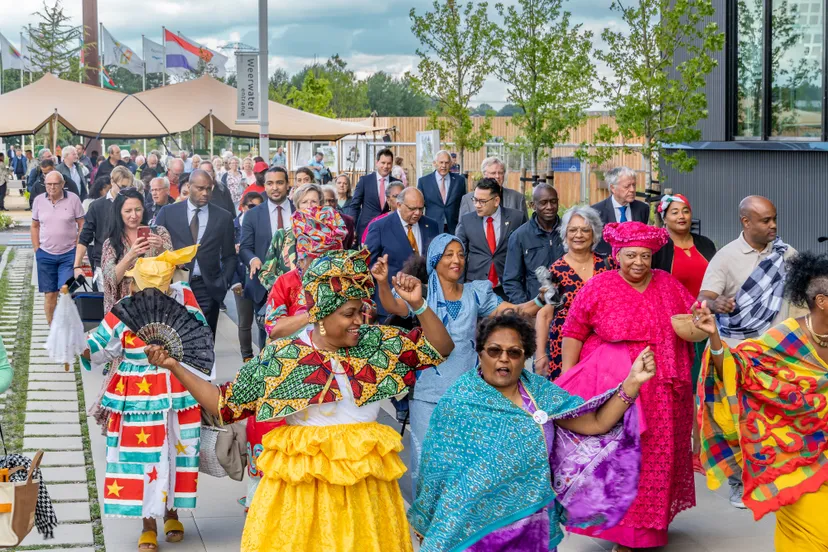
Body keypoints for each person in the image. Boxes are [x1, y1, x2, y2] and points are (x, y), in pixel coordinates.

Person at [143, 248, 454, 552]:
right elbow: (224, 406)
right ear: (320, 314)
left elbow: (440, 348)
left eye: (361, 311)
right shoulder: (284, 357)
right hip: (303, 496)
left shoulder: (374, 345)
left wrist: (419, 305)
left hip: (365, 497)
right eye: (348, 313)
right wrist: (174, 366)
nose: (359, 320)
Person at [411, 313, 653, 551]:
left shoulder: (540, 393)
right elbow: (435, 470)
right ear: (480, 353)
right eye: (495, 351)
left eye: (514, 352)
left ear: (524, 356)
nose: (503, 359)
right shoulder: (458, 401)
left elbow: (597, 423)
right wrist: (428, 519)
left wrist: (632, 383)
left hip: (532, 523)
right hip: (474, 528)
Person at [561, 221, 695, 551]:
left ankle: (649, 527)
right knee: (620, 457)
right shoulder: (598, 286)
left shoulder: (668, 284)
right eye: (631, 255)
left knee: (655, 460)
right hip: (616, 386)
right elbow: (574, 331)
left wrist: (708, 318)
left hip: (662, 389)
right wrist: (568, 382)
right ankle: (626, 533)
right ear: (617, 255)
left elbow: (692, 319)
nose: (639, 262)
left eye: (646, 256)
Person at [375, 233, 546, 492]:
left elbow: (513, 312)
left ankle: (457, 518)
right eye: (449, 255)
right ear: (435, 260)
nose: (457, 260)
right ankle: (427, 523)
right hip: (428, 393)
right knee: (428, 459)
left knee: (465, 458)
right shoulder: (421, 295)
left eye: (461, 254)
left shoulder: (475, 293)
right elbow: (393, 306)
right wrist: (383, 284)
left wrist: (540, 301)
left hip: (467, 391)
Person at [692, 252, 828, 552]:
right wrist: (715, 338)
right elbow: (738, 369)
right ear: (822, 302)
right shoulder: (788, 335)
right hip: (795, 455)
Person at [84, 246, 206, 551]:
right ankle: (147, 523)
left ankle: (171, 512)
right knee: (142, 460)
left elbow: (201, 343)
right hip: (136, 396)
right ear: (132, 285)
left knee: (175, 452)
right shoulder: (123, 309)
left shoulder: (184, 301)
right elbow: (101, 346)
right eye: (142, 289)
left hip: (176, 388)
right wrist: (79, 344)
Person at [651, 194, 717, 471]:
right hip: (672, 327)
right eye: (675, 212)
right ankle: (681, 449)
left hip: (706, 324)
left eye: (686, 211)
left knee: (704, 388)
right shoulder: (659, 248)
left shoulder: (706, 245)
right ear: (664, 217)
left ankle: (701, 450)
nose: (681, 216)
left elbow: (718, 280)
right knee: (682, 390)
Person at [534, 206, 614, 381]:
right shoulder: (556, 270)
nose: (579, 235)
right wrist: (540, 354)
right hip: (563, 347)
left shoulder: (608, 265)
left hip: (602, 345)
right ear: (565, 234)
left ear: (594, 234)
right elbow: (545, 315)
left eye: (585, 230)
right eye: (573, 230)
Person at [155, 169, 237, 335]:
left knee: (205, 341)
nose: (205, 193)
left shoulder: (223, 217)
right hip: (175, 285)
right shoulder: (168, 213)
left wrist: (223, 282)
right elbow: (155, 251)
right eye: (200, 188)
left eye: (208, 188)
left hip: (208, 287)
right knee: (176, 339)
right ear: (189, 186)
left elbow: (229, 255)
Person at [264, 206, 348, 340]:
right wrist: (315, 314)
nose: (325, 268)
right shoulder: (286, 282)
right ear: (302, 260)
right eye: (317, 261)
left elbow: (365, 315)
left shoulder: (348, 279)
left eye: (331, 260)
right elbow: (274, 329)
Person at [240, 167, 294, 345]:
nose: (275, 187)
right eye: (270, 183)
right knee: (266, 337)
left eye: (279, 183)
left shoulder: (298, 212)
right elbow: (245, 248)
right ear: (265, 186)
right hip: (263, 286)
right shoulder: (252, 215)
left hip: (294, 286)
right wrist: (253, 259)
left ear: (287, 185)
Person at [364, 187, 439, 317]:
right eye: (412, 209)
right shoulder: (380, 227)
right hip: (390, 305)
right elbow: (368, 265)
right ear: (399, 205)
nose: (417, 213)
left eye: (421, 209)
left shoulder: (431, 225)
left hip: (425, 303)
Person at [99, 188, 173, 314]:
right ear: (119, 212)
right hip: (124, 309)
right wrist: (130, 255)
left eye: (138, 210)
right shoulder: (111, 243)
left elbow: (173, 265)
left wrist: (161, 248)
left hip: (156, 307)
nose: (134, 215)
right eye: (128, 211)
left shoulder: (159, 233)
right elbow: (111, 279)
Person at [455, 178, 528, 298]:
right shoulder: (466, 220)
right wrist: (459, 289)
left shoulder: (516, 218)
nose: (477, 205)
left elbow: (525, 253)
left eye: (482, 201)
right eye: (475, 200)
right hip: (475, 288)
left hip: (507, 288)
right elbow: (460, 255)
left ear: (496, 201)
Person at [32, 171, 85, 324]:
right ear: (45, 185)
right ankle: (52, 332)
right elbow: (34, 225)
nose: (52, 187)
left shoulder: (73, 199)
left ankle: (65, 327)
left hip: (68, 253)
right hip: (46, 254)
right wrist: (37, 249)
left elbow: (82, 224)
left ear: (63, 184)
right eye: (49, 184)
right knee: (49, 295)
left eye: (56, 184)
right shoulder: (38, 201)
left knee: (65, 291)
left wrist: (78, 245)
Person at [503, 183, 564, 304]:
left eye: (553, 201)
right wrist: (526, 310)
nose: (549, 207)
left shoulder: (569, 231)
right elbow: (511, 280)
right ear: (533, 205)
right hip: (535, 308)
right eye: (543, 202)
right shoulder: (519, 236)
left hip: (568, 307)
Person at [256, 183, 322, 291]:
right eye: (304, 202)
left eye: (314, 201)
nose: (309, 206)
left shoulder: (331, 239)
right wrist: (285, 287)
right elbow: (265, 274)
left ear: (321, 205)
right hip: (287, 302)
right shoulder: (282, 236)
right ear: (297, 206)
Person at [74, 173, 132, 279]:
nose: (125, 191)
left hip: (129, 264)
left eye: (129, 188)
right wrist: (77, 266)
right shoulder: (97, 205)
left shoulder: (134, 205)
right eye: (122, 187)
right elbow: (85, 237)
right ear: (112, 182)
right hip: (103, 263)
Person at [231, 192, 264, 362]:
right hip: (241, 280)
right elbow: (227, 257)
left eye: (259, 206)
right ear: (242, 207)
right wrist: (234, 281)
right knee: (245, 321)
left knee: (263, 321)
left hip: (260, 280)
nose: (255, 209)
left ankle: (264, 357)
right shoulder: (233, 226)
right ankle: (247, 357)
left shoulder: (263, 224)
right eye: (251, 206)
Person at [591, 166, 649, 255]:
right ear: (613, 188)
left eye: (634, 185)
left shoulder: (643, 209)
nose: (632, 190)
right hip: (607, 264)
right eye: (627, 186)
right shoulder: (596, 212)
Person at [347, 148, 401, 244]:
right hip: (366, 230)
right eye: (383, 163)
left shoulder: (397, 184)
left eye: (389, 163)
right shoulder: (365, 181)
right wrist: (352, 228)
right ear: (377, 163)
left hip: (390, 229)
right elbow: (354, 206)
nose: (386, 166)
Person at [458, 157, 528, 218]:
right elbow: (461, 229)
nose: (497, 176)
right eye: (493, 173)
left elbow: (525, 228)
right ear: (484, 175)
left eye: (500, 173)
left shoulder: (517, 198)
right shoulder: (467, 200)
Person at [418, 150, 466, 234]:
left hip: (454, 228)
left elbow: (464, 205)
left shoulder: (460, 181)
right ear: (434, 163)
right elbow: (419, 206)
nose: (444, 166)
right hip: (432, 227)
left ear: (451, 164)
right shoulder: (424, 181)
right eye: (441, 162)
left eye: (447, 163)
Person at [320, 184, 356, 249]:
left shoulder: (348, 220)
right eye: (324, 201)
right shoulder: (314, 220)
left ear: (336, 202)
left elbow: (348, 245)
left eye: (331, 201)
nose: (328, 204)